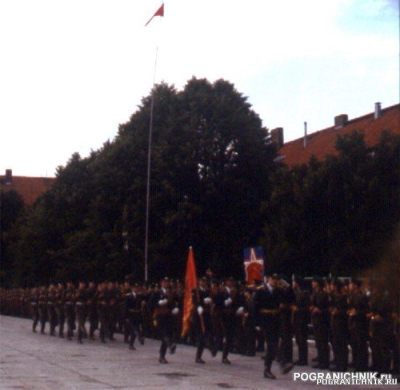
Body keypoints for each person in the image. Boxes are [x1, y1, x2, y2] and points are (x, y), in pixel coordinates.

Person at [253, 274, 294, 379]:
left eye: (277, 280)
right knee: (272, 342)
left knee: (272, 345)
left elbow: (290, 298)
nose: (275, 281)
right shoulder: (260, 290)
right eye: (274, 279)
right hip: (265, 319)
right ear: (269, 279)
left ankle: (267, 369)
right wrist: (256, 323)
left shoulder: (279, 290)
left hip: (275, 320)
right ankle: (282, 362)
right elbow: (255, 308)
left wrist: (288, 286)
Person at [149, 277, 179, 363]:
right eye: (164, 282)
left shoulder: (170, 294)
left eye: (167, 282)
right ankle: (169, 346)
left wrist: (174, 309)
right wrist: (158, 303)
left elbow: (172, 304)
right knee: (164, 333)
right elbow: (150, 304)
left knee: (167, 335)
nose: (166, 283)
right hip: (159, 316)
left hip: (168, 316)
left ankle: (162, 355)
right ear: (161, 283)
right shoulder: (157, 293)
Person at [192, 277, 214, 363]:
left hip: (207, 315)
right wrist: (198, 306)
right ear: (199, 282)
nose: (203, 283)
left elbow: (212, 299)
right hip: (199, 315)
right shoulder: (195, 291)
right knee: (201, 335)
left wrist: (210, 300)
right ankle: (198, 356)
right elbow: (194, 301)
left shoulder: (207, 291)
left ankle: (210, 346)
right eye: (202, 281)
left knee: (209, 332)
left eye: (205, 281)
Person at [310, 277, 330, 369]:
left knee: (323, 342)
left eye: (314, 282)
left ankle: (325, 362)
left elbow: (329, 308)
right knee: (318, 341)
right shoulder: (315, 293)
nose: (312, 284)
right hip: (316, 320)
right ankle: (320, 359)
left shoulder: (325, 294)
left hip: (323, 320)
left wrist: (320, 310)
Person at [292, 275, 311, 366]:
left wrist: (298, 309)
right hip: (297, 318)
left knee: (302, 340)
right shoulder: (296, 292)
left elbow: (306, 307)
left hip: (302, 319)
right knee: (299, 340)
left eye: (294, 281)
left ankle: (303, 359)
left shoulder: (303, 293)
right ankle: (301, 358)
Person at [124, 283, 145, 350]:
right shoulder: (128, 296)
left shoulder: (139, 296)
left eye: (137, 288)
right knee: (134, 328)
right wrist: (126, 316)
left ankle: (131, 344)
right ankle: (139, 337)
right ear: (132, 288)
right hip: (131, 315)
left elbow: (140, 306)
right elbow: (126, 307)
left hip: (137, 315)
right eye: (134, 288)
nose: (136, 289)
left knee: (135, 330)